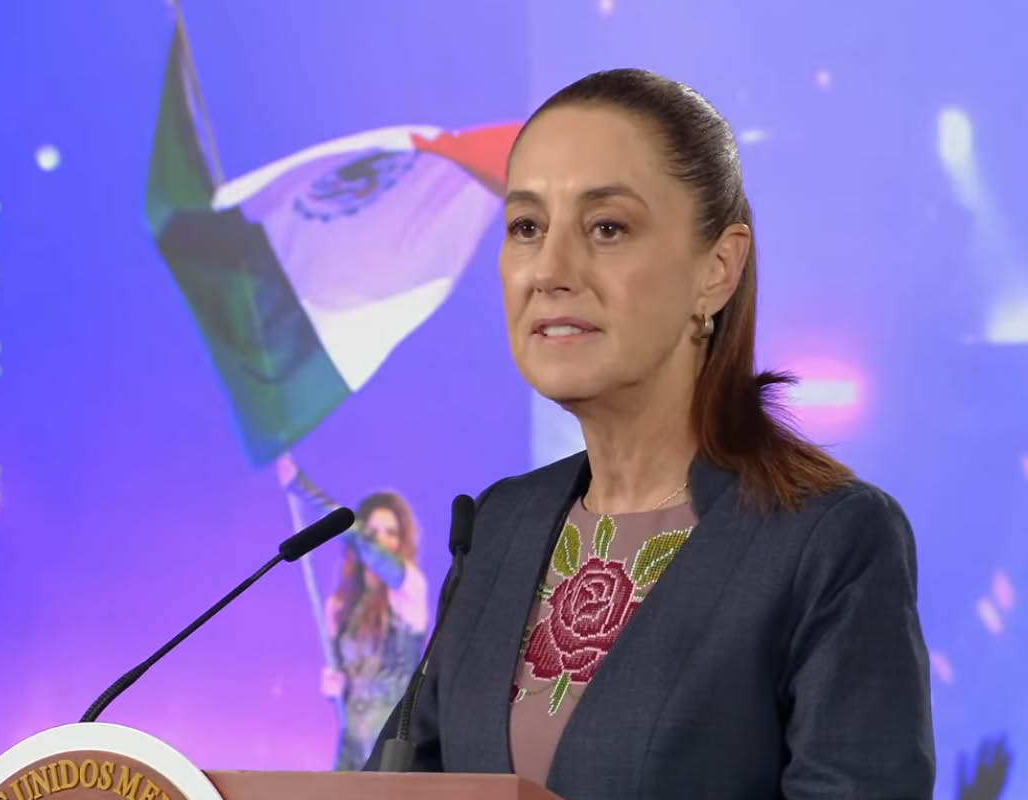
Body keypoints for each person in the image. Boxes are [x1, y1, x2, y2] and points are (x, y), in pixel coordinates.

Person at [364, 69, 935, 798]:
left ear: (717, 270)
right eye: (527, 228)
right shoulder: (498, 526)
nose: (549, 271)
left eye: (607, 228)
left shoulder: (829, 541)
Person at [276, 454, 428, 771]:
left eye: (391, 532)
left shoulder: (411, 589)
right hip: (352, 750)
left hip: (396, 751)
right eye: (373, 533)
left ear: (403, 540)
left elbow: (365, 547)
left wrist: (302, 487)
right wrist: (335, 688)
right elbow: (345, 685)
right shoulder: (339, 606)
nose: (381, 541)